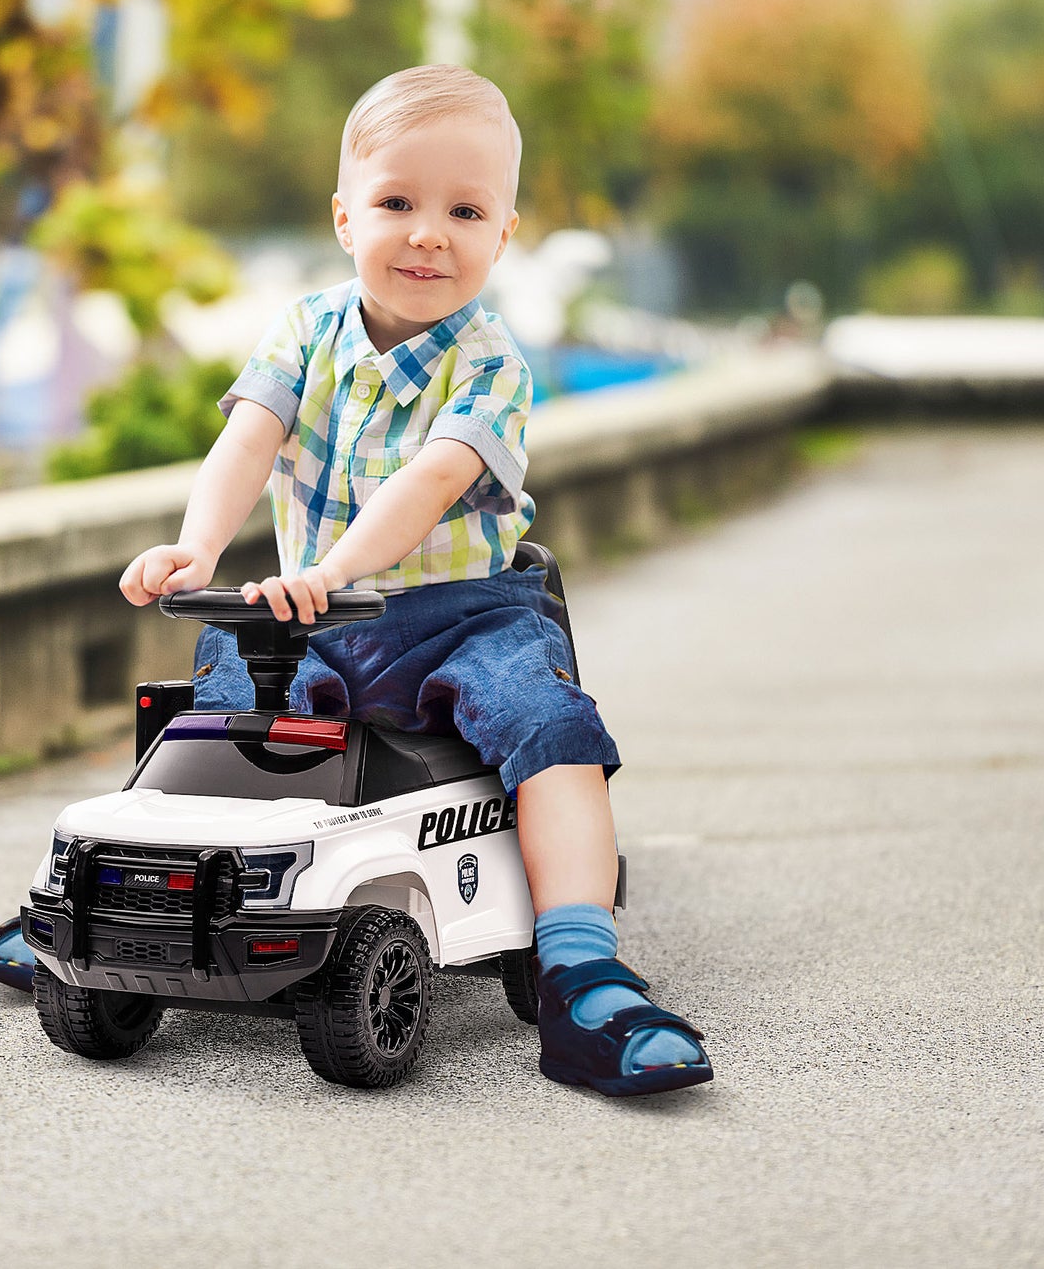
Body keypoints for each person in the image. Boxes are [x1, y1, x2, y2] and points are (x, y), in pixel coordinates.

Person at [119, 64, 711, 1097]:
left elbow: (431, 478)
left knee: (547, 721)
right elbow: (246, 441)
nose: (427, 232)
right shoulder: (303, 329)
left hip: (463, 613)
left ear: (502, 233)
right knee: (217, 713)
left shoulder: (490, 364)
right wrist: (199, 547)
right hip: (314, 612)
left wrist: (337, 564)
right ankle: (135, 897)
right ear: (346, 216)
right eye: (398, 203)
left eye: (463, 209)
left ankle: (581, 968)